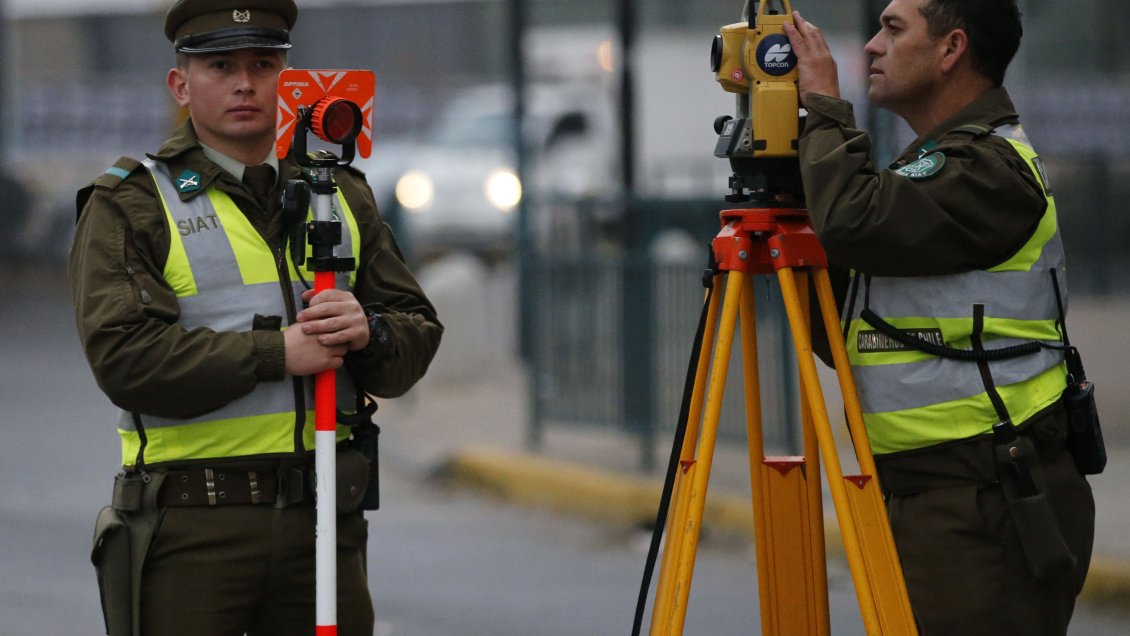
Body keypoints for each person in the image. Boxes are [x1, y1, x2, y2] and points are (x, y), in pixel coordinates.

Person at [69, 1, 442, 634]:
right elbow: (125, 361)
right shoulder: (132, 202)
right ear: (181, 85)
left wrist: (368, 333)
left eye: (263, 64)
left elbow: (415, 332)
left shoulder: (340, 192)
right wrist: (278, 353)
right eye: (221, 65)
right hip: (190, 529)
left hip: (323, 521)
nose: (245, 83)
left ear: (289, 79)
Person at [783, 1, 1094, 634]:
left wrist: (822, 107)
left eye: (893, 29)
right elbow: (854, 325)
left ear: (951, 49)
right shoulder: (932, 170)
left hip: (990, 502)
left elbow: (854, 220)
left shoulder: (991, 170)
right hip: (933, 497)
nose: (871, 46)